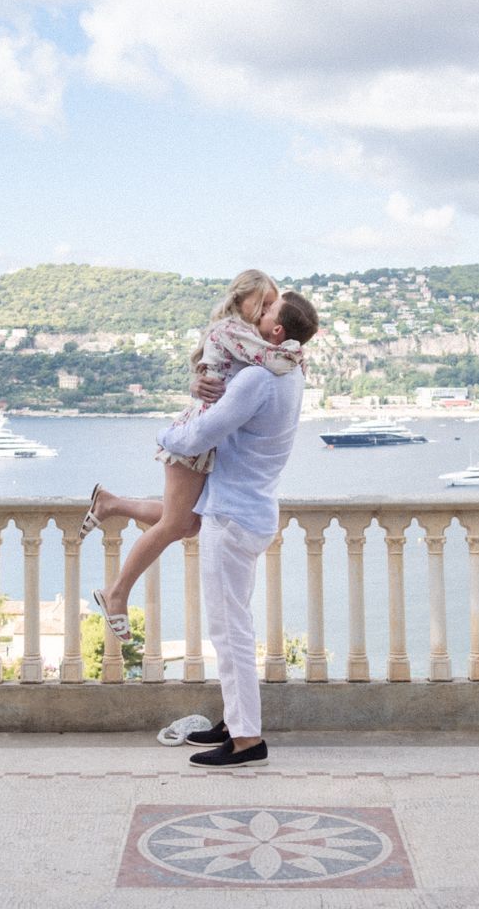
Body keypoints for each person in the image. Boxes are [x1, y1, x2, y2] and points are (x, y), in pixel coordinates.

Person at [82, 270, 303, 633]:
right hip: (195, 436)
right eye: (262, 304)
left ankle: (110, 504)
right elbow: (273, 362)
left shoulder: (242, 334)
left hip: (207, 436)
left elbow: (219, 372)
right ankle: (116, 593)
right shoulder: (234, 331)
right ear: (240, 299)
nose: (267, 312)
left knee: (188, 522)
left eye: (270, 306)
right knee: (175, 523)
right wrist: (297, 352)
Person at [158, 290, 318, 769]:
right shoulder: (291, 375)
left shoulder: (256, 378)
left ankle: (247, 739)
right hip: (254, 513)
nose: (256, 313)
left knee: (229, 632)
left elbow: (200, 436)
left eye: (265, 311)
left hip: (230, 518)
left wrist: (164, 436)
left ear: (275, 332)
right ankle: (234, 721)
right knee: (236, 624)